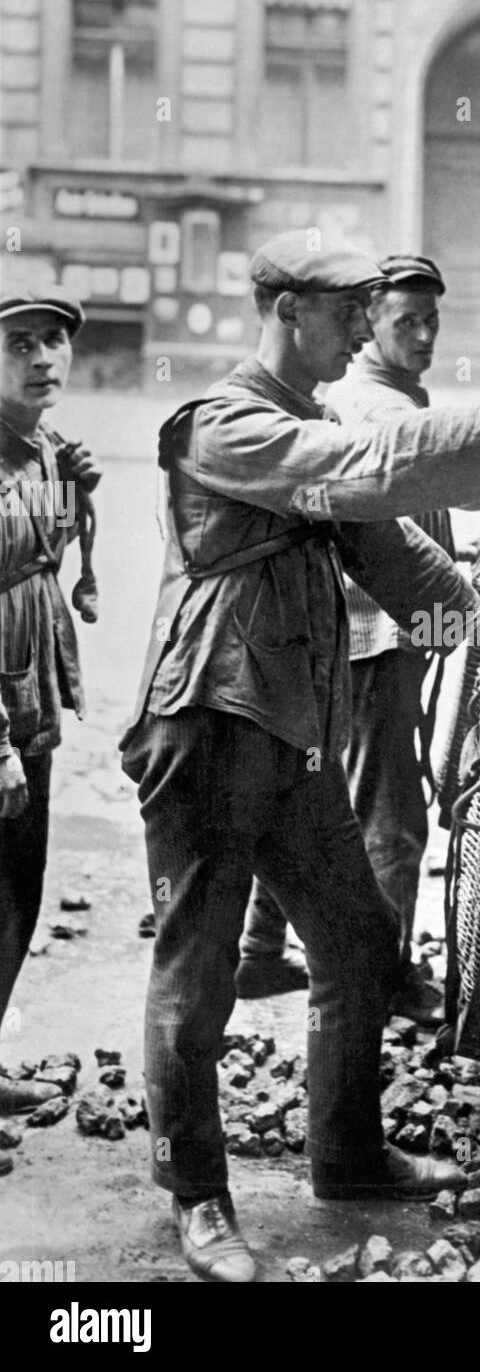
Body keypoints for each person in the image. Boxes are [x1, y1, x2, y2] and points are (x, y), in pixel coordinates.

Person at [119, 231, 480, 1282]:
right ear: (285, 310)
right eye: (348, 310)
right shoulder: (222, 426)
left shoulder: (306, 424)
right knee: (198, 972)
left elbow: (407, 560)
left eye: (373, 308)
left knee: (359, 942)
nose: (366, 327)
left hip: (288, 737)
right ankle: (197, 1196)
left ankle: (345, 1153)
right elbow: (371, 466)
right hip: (208, 730)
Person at [240, 253, 480, 1022]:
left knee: (319, 788)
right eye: (406, 320)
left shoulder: (394, 393)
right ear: (366, 324)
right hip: (374, 635)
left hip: (379, 631)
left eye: (433, 320)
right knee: (390, 811)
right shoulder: (369, 401)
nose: (425, 335)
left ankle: (259, 953)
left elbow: (458, 487)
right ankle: (380, 975)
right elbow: (425, 464)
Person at [0, 283, 101, 1146]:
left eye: (53, 343)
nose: (43, 359)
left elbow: (36, 551)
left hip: (26, 695)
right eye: (20, 343)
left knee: (17, 894)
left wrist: (66, 490)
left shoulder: (39, 451)